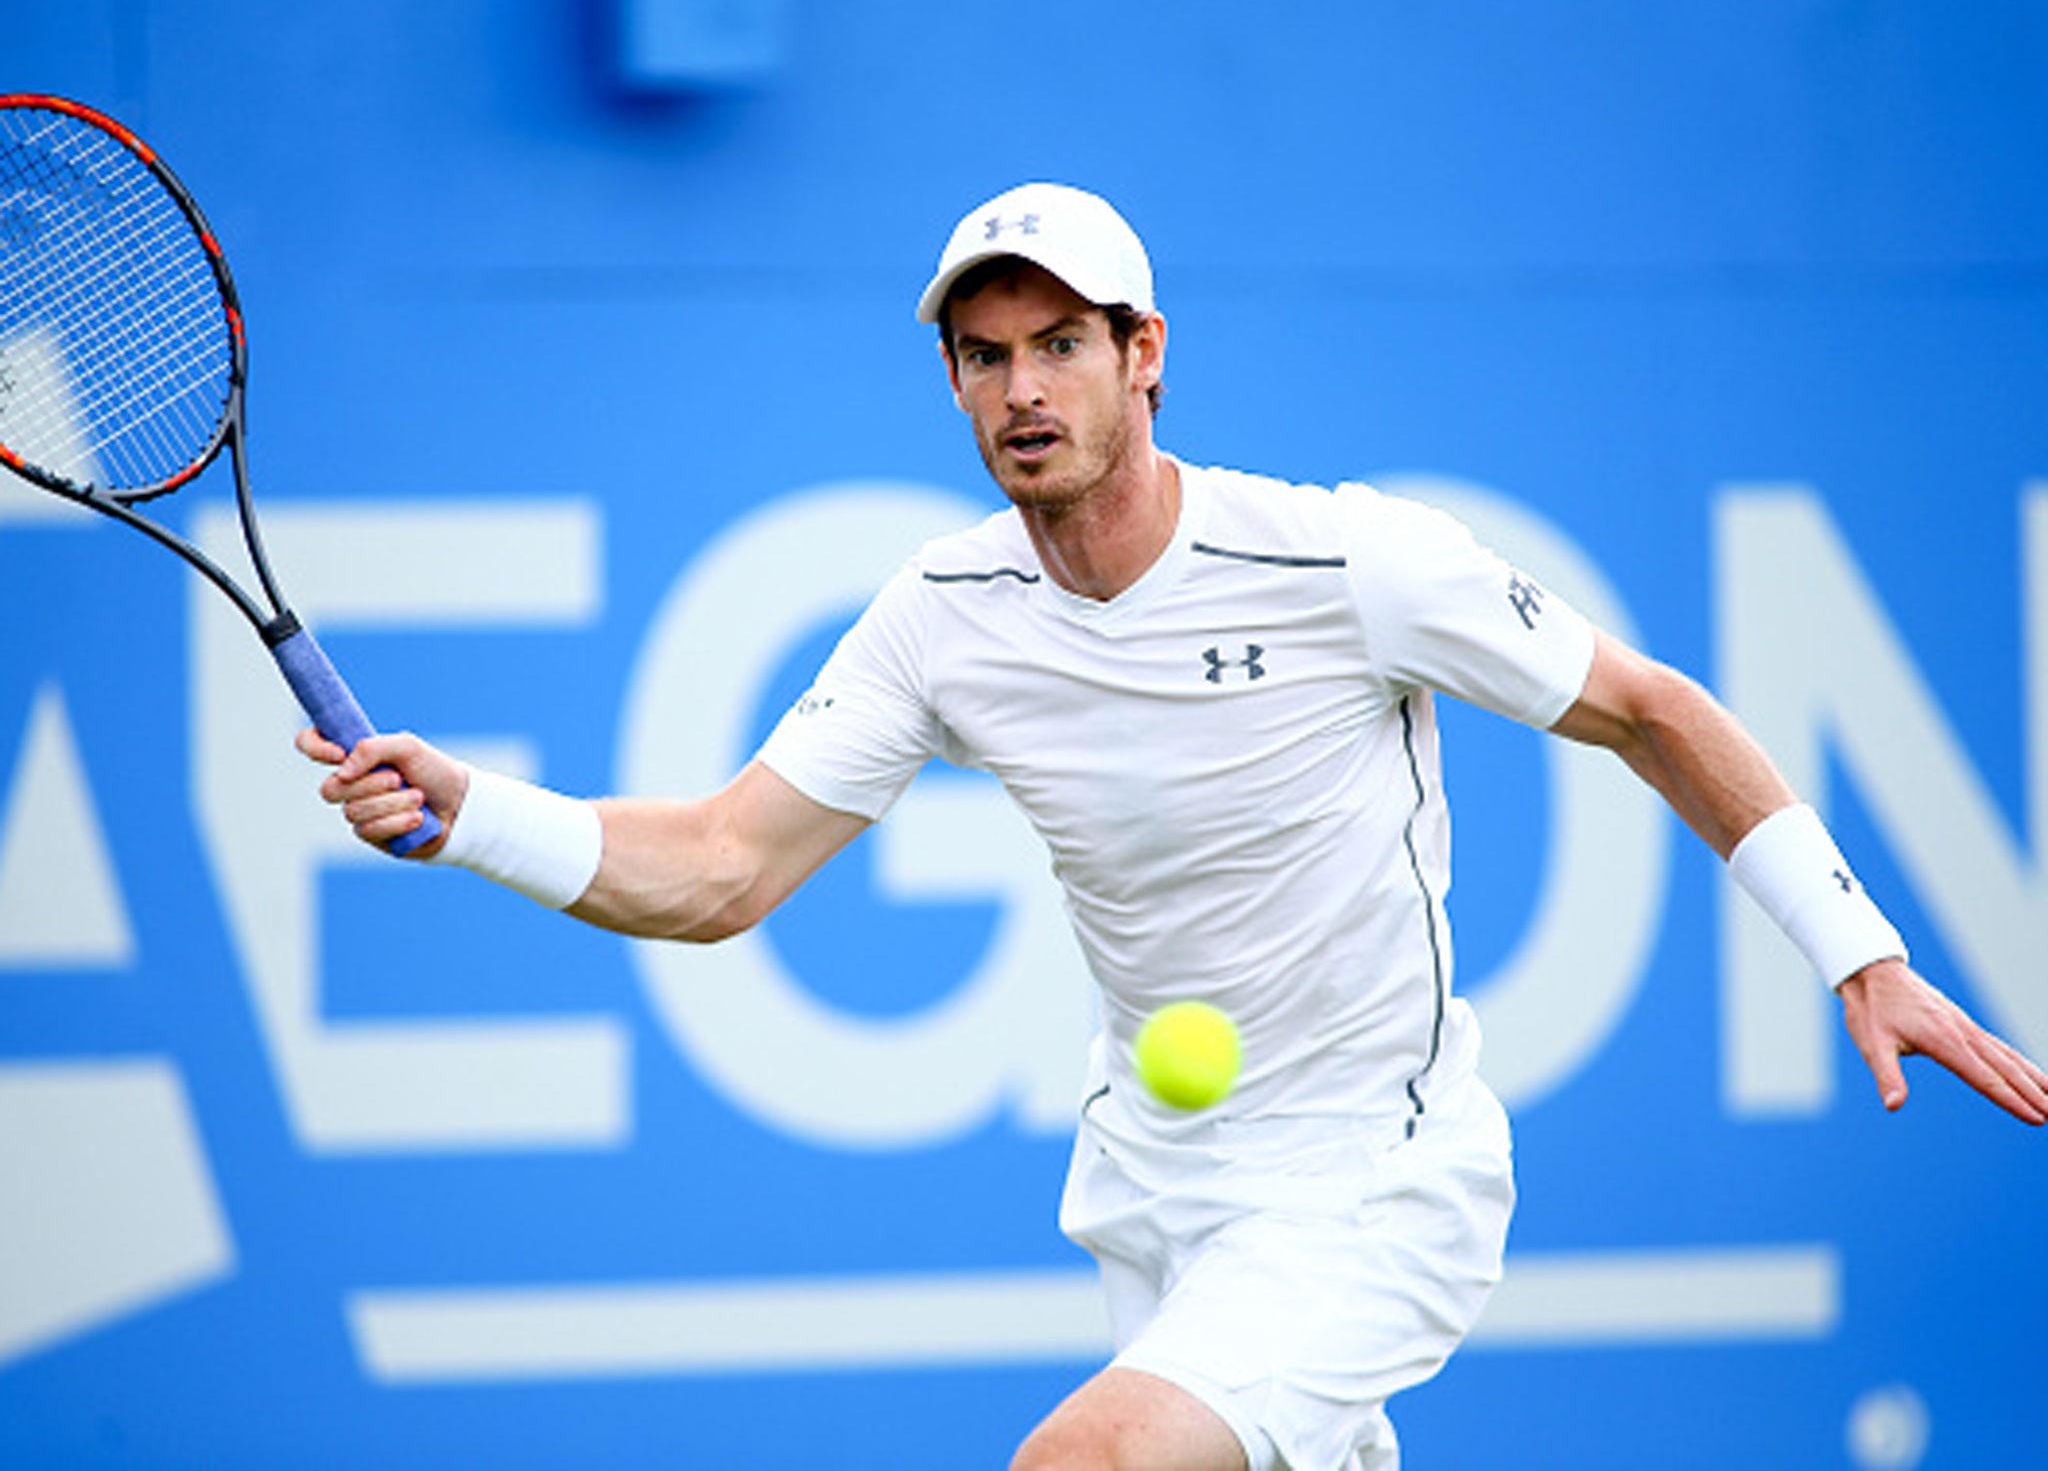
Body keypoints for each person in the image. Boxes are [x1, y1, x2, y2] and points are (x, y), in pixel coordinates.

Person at [302, 183, 2048, 1471]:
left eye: (1059, 343)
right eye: (981, 358)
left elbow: (1653, 709)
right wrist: (478, 820)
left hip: (1378, 1178)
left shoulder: (1350, 560)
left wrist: (1860, 948)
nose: (1019, 391)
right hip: (1154, 1185)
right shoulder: (942, 613)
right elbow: (721, 869)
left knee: (1088, 1470)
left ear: (1145, 358)